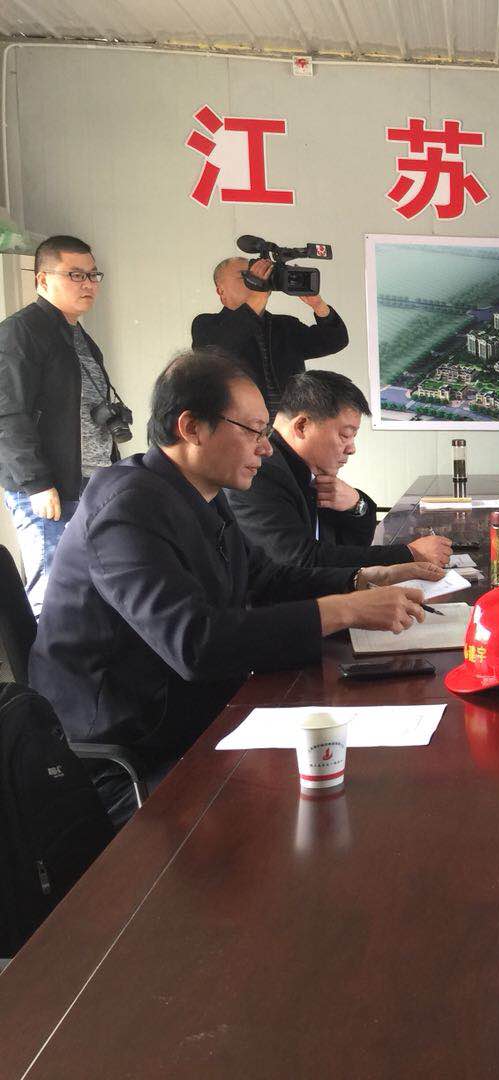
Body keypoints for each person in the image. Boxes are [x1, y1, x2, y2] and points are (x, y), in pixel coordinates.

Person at [29, 350, 442, 824]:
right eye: (253, 431)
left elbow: (267, 578)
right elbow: (195, 643)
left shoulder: (198, 492)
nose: (266, 449)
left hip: (197, 713)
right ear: (192, 427)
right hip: (132, 756)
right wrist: (346, 610)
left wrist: (365, 578)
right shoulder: (126, 508)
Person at [0, 235, 130, 614]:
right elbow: (8, 413)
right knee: (54, 593)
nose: (88, 283)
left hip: (90, 481)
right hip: (49, 486)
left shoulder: (77, 335)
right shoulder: (20, 332)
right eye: (75, 275)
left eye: (93, 275)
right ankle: (43, 657)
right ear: (42, 279)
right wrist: (37, 484)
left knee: (94, 591)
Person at [229, 370, 451, 569]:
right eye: (345, 435)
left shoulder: (309, 473)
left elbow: (350, 548)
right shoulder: (261, 475)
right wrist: (408, 554)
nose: (352, 448)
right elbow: (301, 562)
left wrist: (357, 504)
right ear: (302, 426)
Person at [191, 255, 348, 415]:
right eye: (245, 276)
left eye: (258, 274)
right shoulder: (205, 324)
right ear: (221, 291)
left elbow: (336, 340)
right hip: (238, 423)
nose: (254, 280)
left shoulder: (285, 326)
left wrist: (318, 304)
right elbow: (221, 348)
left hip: (288, 424)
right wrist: (258, 295)